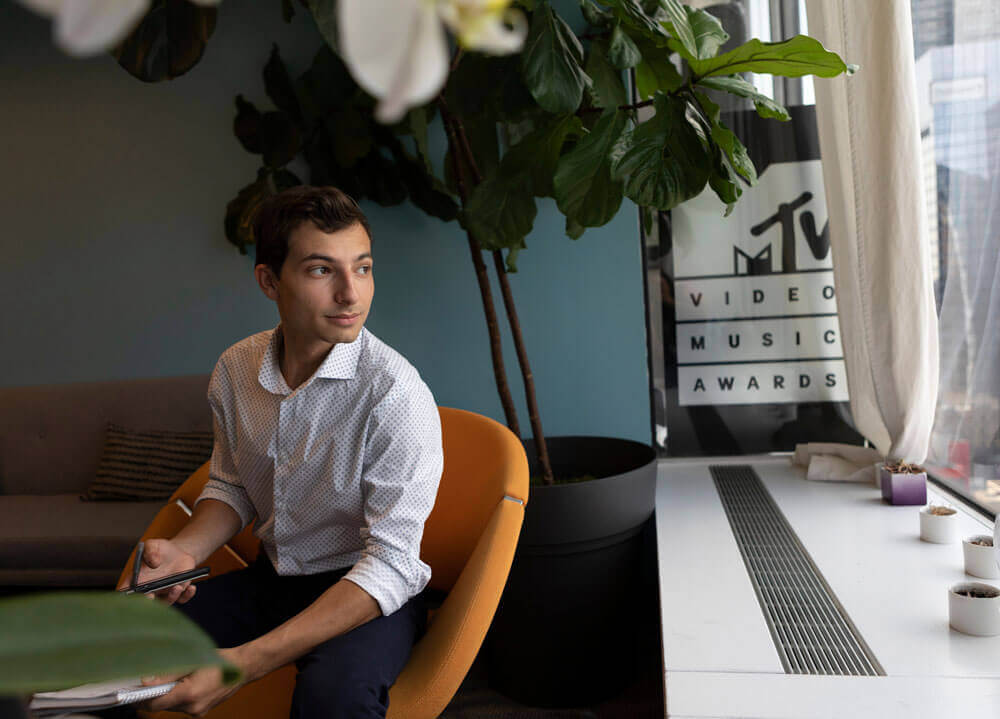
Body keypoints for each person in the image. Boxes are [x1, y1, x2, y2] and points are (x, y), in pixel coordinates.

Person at [120, 185, 444, 718]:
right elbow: (232, 485)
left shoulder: (396, 394)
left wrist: (243, 664)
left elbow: (391, 565)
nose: (350, 294)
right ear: (269, 281)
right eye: (322, 270)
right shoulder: (235, 369)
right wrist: (185, 551)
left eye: (362, 268)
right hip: (272, 580)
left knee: (332, 700)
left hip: (367, 593)